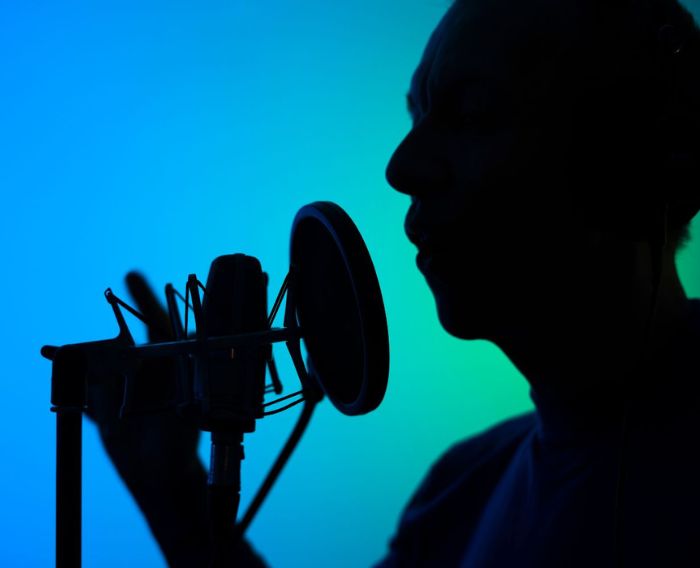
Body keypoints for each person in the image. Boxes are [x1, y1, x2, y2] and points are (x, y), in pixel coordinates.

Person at [87, 0, 700, 566]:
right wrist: (173, 491)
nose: (402, 168)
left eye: (471, 114)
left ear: (636, 165)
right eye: (417, 114)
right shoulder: (458, 494)